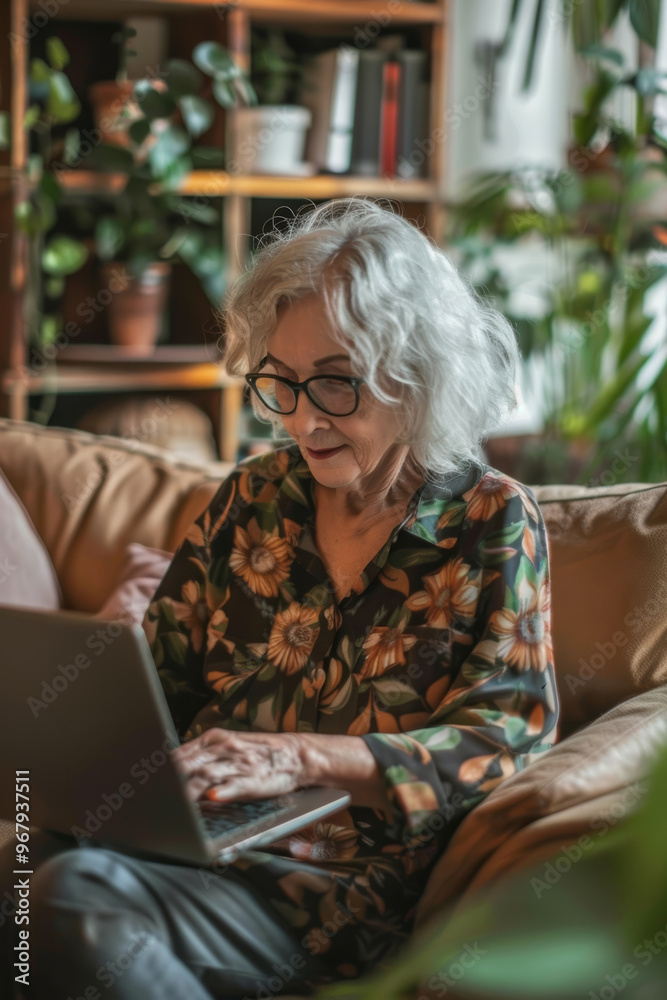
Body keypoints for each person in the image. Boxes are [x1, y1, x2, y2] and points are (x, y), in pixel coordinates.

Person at [1, 197, 559, 999]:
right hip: (189, 847)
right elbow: (155, 683)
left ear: (416, 374)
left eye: (335, 385)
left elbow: (508, 738)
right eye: (281, 382)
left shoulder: (492, 520)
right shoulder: (252, 497)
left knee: (67, 898)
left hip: (335, 894)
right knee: (20, 876)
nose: (301, 419)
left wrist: (293, 756)